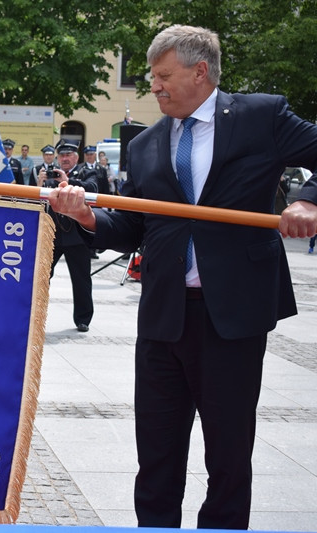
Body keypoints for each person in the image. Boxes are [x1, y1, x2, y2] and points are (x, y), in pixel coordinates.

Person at [47, 25, 317, 529]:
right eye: (152, 76)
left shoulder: (262, 116)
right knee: (156, 456)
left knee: (229, 458)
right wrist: (85, 216)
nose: (155, 86)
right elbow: (133, 227)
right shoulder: (146, 144)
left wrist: (308, 201)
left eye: (164, 75)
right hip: (163, 318)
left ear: (200, 72)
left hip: (232, 317)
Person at [43, 139, 98, 332]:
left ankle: (83, 319)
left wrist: (68, 180)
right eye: (62, 155)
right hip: (53, 234)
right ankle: (35, 314)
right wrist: (41, 182)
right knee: (42, 276)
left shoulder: (86, 172)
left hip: (77, 235)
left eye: (69, 155)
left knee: (81, 279)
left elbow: (93, 188)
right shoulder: (51, 175)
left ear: (76, 157)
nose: (65, 158)